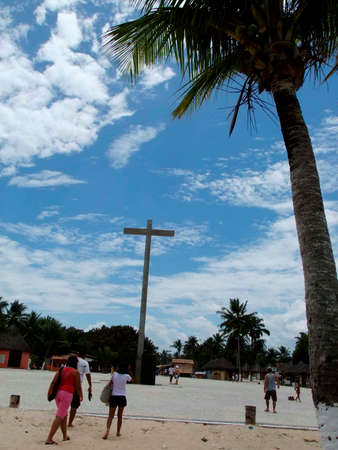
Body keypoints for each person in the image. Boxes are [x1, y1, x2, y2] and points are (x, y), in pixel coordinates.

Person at [45, 355, 83, 445]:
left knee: (64, 414)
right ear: (76, 363)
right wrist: (81, 395)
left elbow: (53, 382)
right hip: (67, 394)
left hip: (58, 393)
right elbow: (78, 386)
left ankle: (65, 436)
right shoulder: (75, 372)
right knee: (60, 416)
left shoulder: (61, 369)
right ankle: (49, 438)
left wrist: (49, 392)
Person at [102, 362, 134, 440]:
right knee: (120, 416)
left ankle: (107, 431)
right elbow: (133, 380)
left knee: (110, 416)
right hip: (122, 397)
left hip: (114, 396)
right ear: (126, 368)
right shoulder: (126, 376)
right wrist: (130, 370)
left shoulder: (115, 374)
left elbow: (110, 384)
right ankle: (118, 432)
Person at [68, 351, 92, 427]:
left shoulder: (70, 361)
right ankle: (69, 423)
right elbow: (88, 375)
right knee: (74, 406)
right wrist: (90, 385)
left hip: (66, 385)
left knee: (65, 405)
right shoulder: (84, 363)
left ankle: (62, 420)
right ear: (84, 355)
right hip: (76, 386)